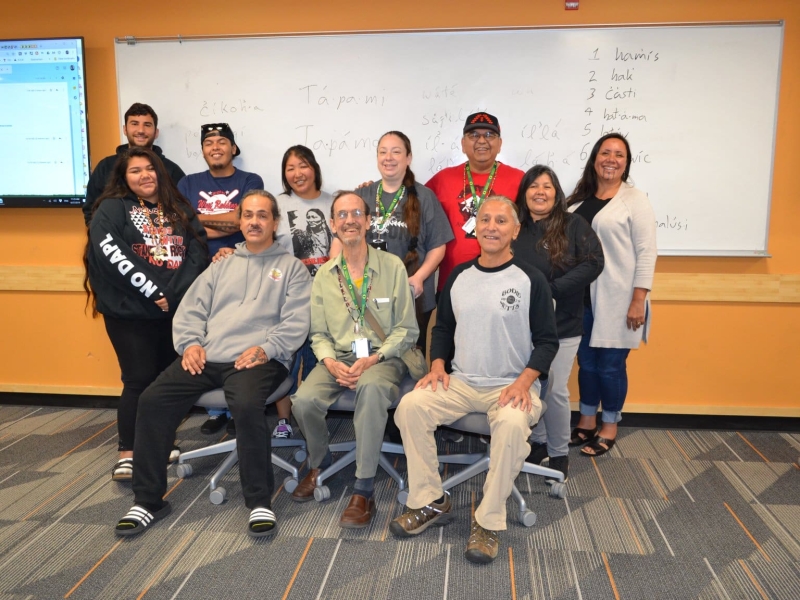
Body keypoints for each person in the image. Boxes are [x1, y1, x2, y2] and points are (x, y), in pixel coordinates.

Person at [113, 190, 312, 538]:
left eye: (262, 215)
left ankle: (259, 501)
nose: (254, 221)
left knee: (247, 404)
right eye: (248, 215)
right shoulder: (221, 265)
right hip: (209, 355)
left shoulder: (292, 269)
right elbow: (192, 310)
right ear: (240, 222)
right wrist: (190, 344)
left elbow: (297, 322)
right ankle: (148, 501)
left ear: (275, 223)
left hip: (260, 357)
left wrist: (267, 348)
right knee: (152, 400)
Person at [391, 196, 558, 564]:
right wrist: (437, 366)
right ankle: (431, 501)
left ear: (515, 230)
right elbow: (444, 328)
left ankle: (488, 522)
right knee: (410, 407)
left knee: (513, 425)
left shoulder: (531, 280)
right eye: (485, 219)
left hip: (513, 384)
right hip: (462, 382)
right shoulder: (459, 276)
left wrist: (524, 382)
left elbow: (548, 342)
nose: (492, 227)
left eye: (501, 221)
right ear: (475, 227)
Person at [290, 191, 418, 529]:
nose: (350, 220)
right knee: (303, 401)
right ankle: (320, 462)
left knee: (372, 390)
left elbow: (407, 330)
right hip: (341, 358)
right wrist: (330, 363)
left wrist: (374, 359)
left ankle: (364, 487)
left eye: (356, 213)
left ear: (368, 221)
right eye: (342, 215)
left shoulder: (392, 267)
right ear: (333, 225)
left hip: (384, 357)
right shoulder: (324, 276)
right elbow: (318, 334)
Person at [83, 146, 208, 482]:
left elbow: (197, 251)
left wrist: (173, 294)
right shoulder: (111, 208)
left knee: (165, 382)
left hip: (172, 312)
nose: (144, 175)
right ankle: (129, 451)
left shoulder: (178, 207)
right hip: (130, 313)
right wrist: (154, 291)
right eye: (135, 170)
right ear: (124, 177)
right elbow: (111, 254)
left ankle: (161, 441)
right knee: (138, 380)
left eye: (149, 169)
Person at [512, 165, 604, 482]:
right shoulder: (515, 226)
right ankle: (538, 445)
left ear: (557, 193)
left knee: (554, 390)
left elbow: (595, 262)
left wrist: (552, 291)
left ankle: (559, 452)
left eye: (547, 186)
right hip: (520, 326)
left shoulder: (573, 224)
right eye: (534, 186)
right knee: (530, 384)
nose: (540, 191)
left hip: (562, 323)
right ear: (524, 193)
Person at [567, 133, 657, 457]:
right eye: (606, 153)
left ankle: (609, 426)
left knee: (610, 367)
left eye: (619, 155)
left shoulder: (634, 200)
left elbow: (647, 253)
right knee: (586, 364)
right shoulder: (576, 201)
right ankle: (587, 421)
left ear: (626, 163)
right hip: (580, 301)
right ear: (595, 158)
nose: (612, 159)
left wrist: (638, 300)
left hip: (619, 300)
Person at [178, 123, 265, 436]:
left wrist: (200, 222)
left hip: (241, 268)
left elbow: (248, 222)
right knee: (208, 334)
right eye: (209, 143)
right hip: (199, 269)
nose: (215, 147)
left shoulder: (250, 180)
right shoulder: (188, 182)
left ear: (233, 149)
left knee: (237, 331)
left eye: (222, 142)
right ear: (203, 150)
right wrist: (228, 223)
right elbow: (182, 224)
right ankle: (217, 410)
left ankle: (235, 404)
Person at [355, 131, 453, 353]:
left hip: (413, 295)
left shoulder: (425, 196)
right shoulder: (363, 194)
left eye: (396, 151)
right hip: (368, 295)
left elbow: (438, 246)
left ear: (408, 158)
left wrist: (419, 278)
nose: (388, 157)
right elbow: (344, 241)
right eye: (383, 152)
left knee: (409, 360)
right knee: (369, 357)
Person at [272, 146, 335, 440]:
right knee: (286, 360)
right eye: (290, 168)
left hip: (326, 299)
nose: (297, 173)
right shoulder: (276, 204)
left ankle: (311, 419)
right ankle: (283, 421)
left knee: (316, 361)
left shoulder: (333, 201)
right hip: (287, 297)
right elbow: (266, 248)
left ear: (314, 168)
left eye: (303, 166)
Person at [425, 112, 525, 293]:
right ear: (463, 144)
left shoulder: (519, 179)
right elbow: (409, 201)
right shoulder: (442, 179)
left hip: (504, 281)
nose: (481, 141)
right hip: (453, 281)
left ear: (500, 144)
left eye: (489, 135)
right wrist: (375, 189)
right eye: (473, 135)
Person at [83, 103, 185, 225]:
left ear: (156, 132)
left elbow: (183, 212)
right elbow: (91, 210)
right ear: (125, 129)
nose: (141, 130)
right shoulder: (105, 167)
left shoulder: (171, 170)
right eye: (134, 124)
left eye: (147, 125)